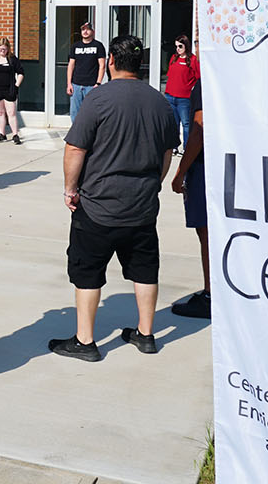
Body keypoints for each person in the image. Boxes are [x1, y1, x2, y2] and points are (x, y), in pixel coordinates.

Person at [50, 35, 179, 362]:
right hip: (143, 207)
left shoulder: (98, 99)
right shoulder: (160, 101)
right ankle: (146, 335)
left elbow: (76, 147)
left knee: (87, 271)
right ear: (140, 65)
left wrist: (70, 188)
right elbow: (167, 152)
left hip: (98, 206)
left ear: (110, 63)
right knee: (145, 270)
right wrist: (154, 183)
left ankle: (85, 341)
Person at [170, 80, 210, 318]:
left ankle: (210, 294)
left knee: (206, 231)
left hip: (207, 166)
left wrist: (180, 172)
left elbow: (199, 128)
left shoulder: (207, 83)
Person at [164, 34, 200, 152]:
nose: (178, 49)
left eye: (180, 46)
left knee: (186, 123)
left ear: (186, 46)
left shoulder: (192, 60)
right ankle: (173, 147)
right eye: (176, 46)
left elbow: (198, 76)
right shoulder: (174, 58)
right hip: (170, 95)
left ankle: (186, 147)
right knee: (173, 123)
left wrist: (191, 88)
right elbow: (170, 74)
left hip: (184, 98)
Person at [65, 21, 105, 121]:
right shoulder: (75, 46)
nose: (85, 31)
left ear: (93, 31)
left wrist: (98, 83)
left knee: (91, 112)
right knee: (74, 113)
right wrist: (69, 84)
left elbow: (102, 66)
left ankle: (90, 135)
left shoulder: (98, 46)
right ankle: (77, 134)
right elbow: (71, 65)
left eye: (87, 29)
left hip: (91, 85)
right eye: (83, 29)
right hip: (76, 85)